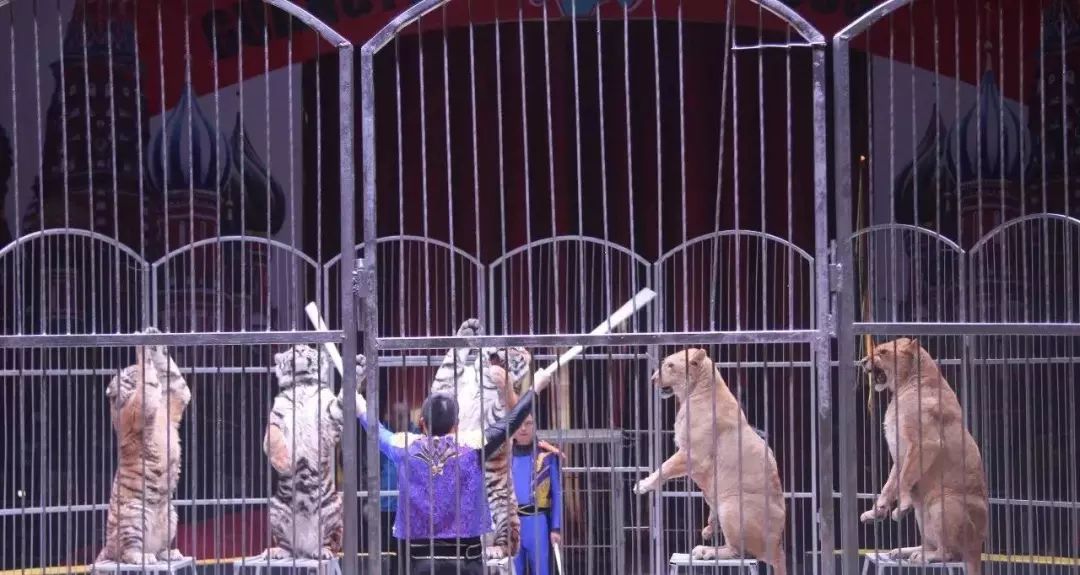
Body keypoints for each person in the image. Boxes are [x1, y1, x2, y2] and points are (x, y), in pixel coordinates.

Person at [356, 366, 537, 575]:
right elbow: (511, 422)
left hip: (420, 562)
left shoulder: (404, 445)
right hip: (466, 562)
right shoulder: (473, 445)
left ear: (422, 423)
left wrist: (359, 406)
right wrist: (534, 389)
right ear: (457, 424)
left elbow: (376, 431)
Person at [511, 415, 563, 575]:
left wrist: (556, 527)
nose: (523, 428)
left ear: (535, 426)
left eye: (528, 423)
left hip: (538, 522)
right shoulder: (502, 457)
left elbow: (557, 493)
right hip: (511, 524)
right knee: (512, 571)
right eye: (519, 424)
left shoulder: (547, 456)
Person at [379, 403, 417, 573]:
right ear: (390, 417)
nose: (401, 419)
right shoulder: (382, 436)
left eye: (404, 416)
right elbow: (368, 467)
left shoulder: (417, 435)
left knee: (409, 548)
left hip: (411, 505)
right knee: (388, 550)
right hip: (386, 504)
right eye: (397, 415)